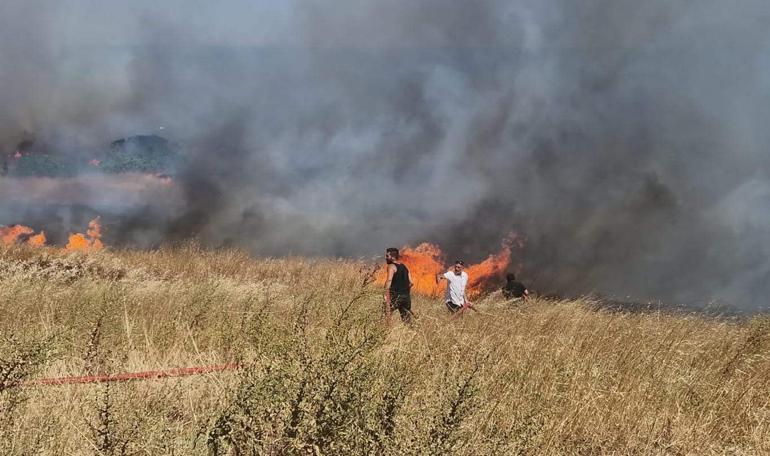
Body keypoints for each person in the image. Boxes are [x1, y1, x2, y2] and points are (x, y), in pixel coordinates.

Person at [384, 247, 414, 324]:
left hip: (396, 296)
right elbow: (411, 283)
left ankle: (387, 333)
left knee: (386, 315)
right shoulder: (405, 267)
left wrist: (386, 294)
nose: (385, 258)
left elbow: (389, 281)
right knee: (407, 321)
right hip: (406, 297)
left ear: (392, 257)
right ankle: (410, 334)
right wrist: (405, 291)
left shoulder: (391, 266)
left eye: (387, 256)